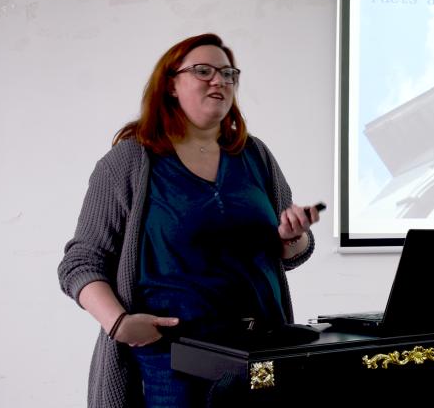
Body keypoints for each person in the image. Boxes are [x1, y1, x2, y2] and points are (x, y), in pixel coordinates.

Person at [58, 33, 320, 408]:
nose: (219, 81)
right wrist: (118, 323)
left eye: (228, 74)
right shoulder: (130, 162)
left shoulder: (255, 155)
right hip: (171, 364)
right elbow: (81, 261)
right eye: (203, 71)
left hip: (259, 352)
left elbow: (291, 252)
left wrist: (294, 237)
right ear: (170, 85)